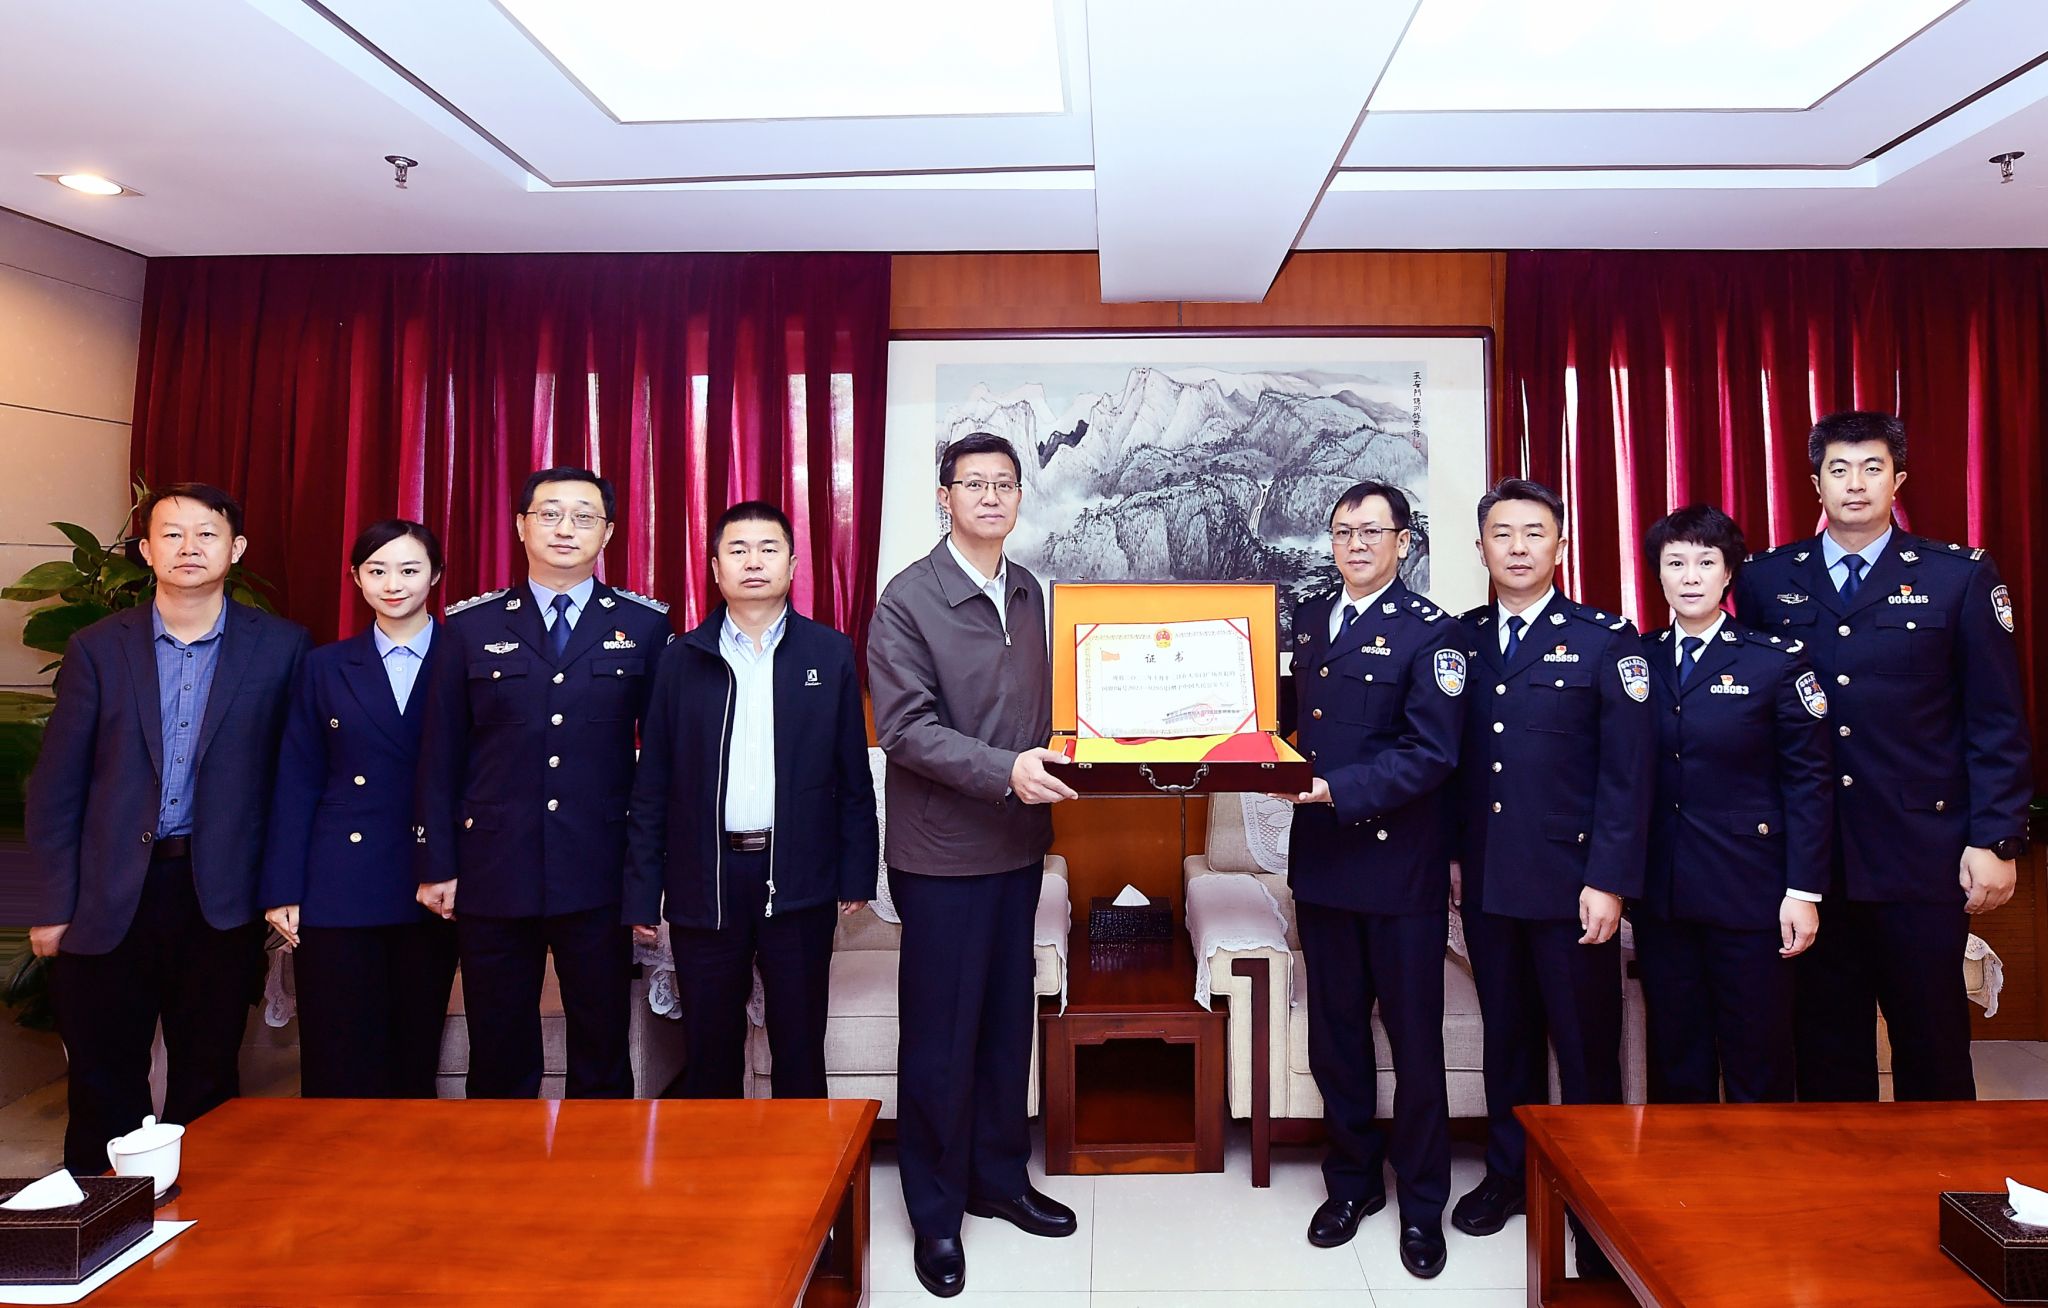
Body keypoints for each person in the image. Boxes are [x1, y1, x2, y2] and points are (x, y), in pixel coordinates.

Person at [1734, 411, 2031, 1102]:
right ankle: (1842, 1174)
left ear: (1898, 480)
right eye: (1838, 470)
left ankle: (1943, 1172)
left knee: (1932, 1045)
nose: (1856, 484)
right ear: (1816, 484)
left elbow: (1995, 719)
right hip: (1812, 860)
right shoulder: (1766, 580)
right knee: (1825, 1048)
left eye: (1872, 468)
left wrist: (1996, 838)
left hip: (1920, 854)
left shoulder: (1957, 577)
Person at [25, 483, 309, 1174]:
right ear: (147, 550)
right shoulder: (98, 647)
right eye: (172, 534)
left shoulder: (282, 648)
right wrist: (50, 905)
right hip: (106, 895)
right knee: (102, 1081)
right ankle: (100, 1220)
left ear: (236, 549)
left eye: (207, 534)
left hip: (219, 896)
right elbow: (57, 785)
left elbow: (294, 782)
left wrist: (283, 888)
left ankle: (208, 1223)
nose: (189, 547)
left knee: (208, 1080)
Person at [867, 432, 1078, 1299]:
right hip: (943, 855)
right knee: (941, 1041)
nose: (991, 496)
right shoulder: (907, 599)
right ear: (944, 496)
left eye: (1005, 484)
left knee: (1002, 1027)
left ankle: (998, 1179)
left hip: (1016, 847)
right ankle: (935, 1213)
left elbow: (1054, 704)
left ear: (1021, 497)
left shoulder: (1029, 590)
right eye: (974, 483)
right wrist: (1006, 771)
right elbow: (905, 729)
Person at [413, 468, 671, 1099]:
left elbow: (661, 767)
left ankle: (598, 1161)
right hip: (493, 868)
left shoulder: (644, 626)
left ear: (607, 534)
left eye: (584, 516)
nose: (565, 528)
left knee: (602, 1047)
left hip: (598, 868)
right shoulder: (469, 627)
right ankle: (502, 1161)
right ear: (521, 526)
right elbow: (440, 754)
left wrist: (647, 879)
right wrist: (437, 864)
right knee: (499, 1049)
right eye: (549, 513)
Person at [1449, 478, 1651, 1279]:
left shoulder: (1605, 640)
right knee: (1508, 1040)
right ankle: (1510, 1175)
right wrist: (1456, 859)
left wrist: (1610, 880)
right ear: (1481, 548)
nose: (1518, 547)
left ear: (1561, 546)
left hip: (1574, 886)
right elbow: (1457, 768)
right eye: (1503, 534)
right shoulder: (1462, 641)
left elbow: (1628, 776)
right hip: (1490, 882)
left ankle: (1593, 1195)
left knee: (1586, 1047)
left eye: (1535, 533)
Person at [624, 500, 877, 1099]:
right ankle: (719, 1163)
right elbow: (652, 784)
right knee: (710, 1052)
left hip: (799, 877)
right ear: (715, 568)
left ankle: (806, 1163)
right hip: (704, 879)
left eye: (768, 549)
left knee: (800, 1047)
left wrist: (856, 873)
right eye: (738, 550)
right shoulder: (680, 659)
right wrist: (641, 890)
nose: (754, 562)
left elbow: (852, 775)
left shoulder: (829, 653)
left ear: (792, 565)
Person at [1278, 480, 1465, 1279]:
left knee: (1415, 1045)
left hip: (1398, 867)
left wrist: (1336, 789)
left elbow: (1433, 754)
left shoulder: (1433, 632)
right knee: (1337, 1038)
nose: (1355, 544)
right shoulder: (1312, 618)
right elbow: (1288, 721)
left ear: (1403, 542)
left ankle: (1422, 1204)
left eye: (1371, 531)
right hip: (1324, 864)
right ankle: (1351, 1183)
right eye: (1343, 531)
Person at [1635, 505, 1832, 1104]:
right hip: (1664, 897)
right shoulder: (1635, 659)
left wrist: (1804, 891)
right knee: (1676, 1057)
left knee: (1757, 1056)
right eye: (1675, 563)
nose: (1690, 576)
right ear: (1658, 575)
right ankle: (1683, 1167)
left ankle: (1761, 1166)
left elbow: (1809, 782)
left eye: (1705, 562)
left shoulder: (1775, 660)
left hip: (1751, 893)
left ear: (1728, 575)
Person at [259, 519, 458, 1098]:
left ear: (436, 576)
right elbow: (297, 777)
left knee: (413, 1049)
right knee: (337, 1050)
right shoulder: (324, 665)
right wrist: (282, 886)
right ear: (356, 578)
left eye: (409, 569)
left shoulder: (467, 658)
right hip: (339, 880)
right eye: (377, 570)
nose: (393, 584)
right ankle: (336, 1157)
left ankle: (407, 1156)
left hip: (433, 877)